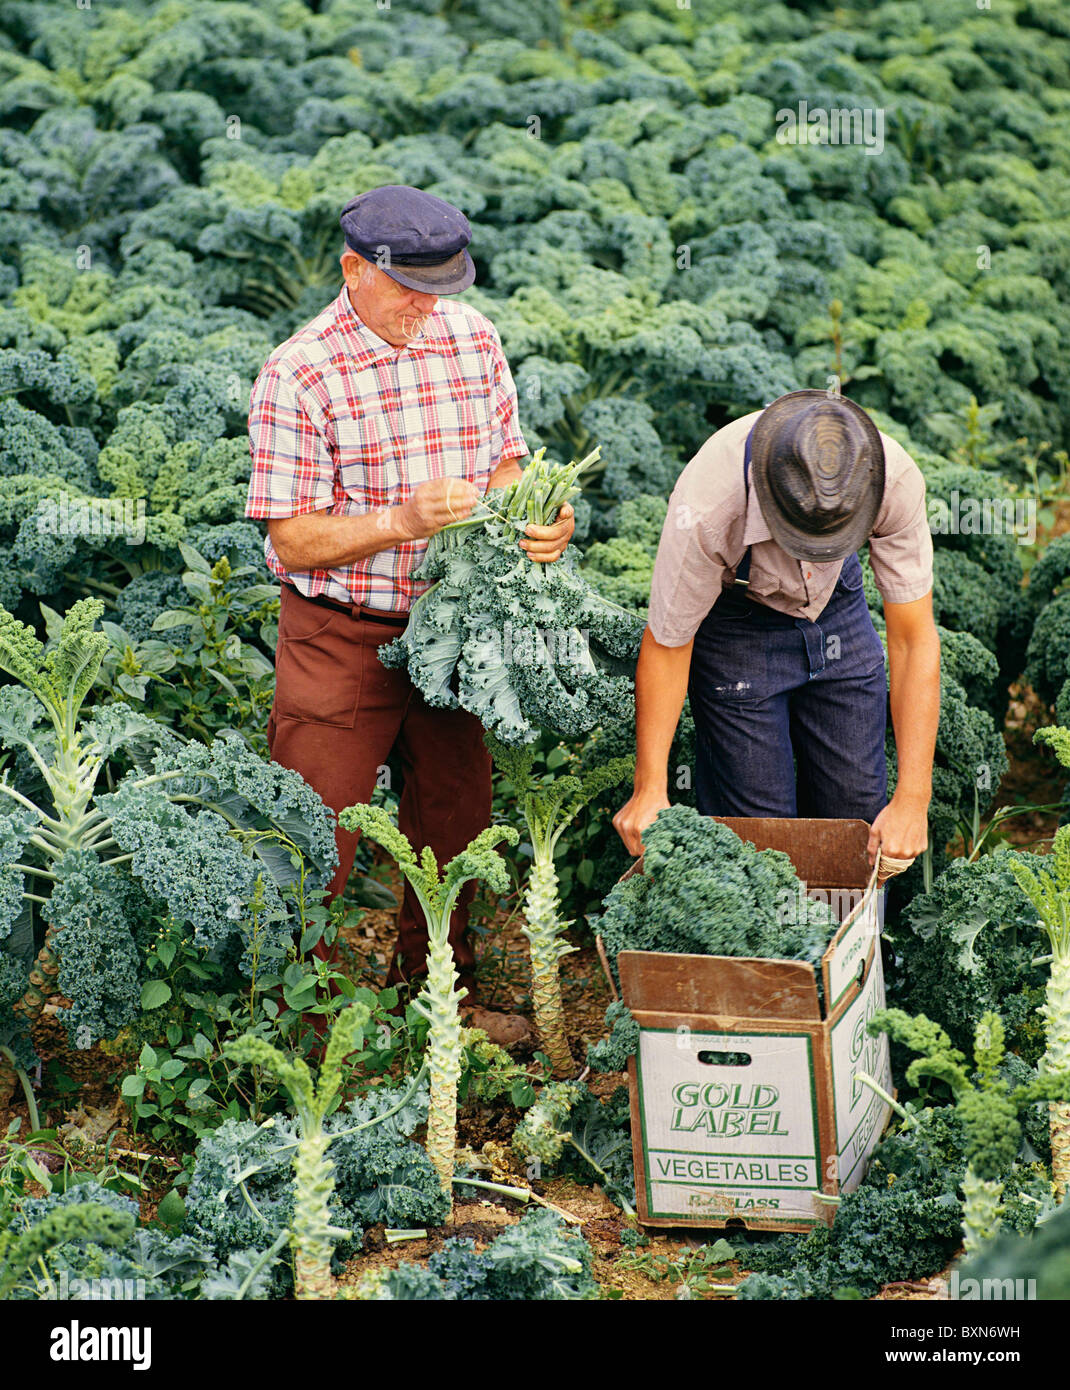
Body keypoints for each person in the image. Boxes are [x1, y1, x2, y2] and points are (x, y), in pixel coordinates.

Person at [246, 184, 575, 1044]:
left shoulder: (473, 340)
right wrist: (401, 521)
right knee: (313, 833)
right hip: (339, 634)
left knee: (456, 824)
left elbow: (506, 463)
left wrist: (539, 514)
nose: (429, 311)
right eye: (410, 291)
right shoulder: (299, 372)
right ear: (355, 270)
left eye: (444, 289)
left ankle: (438, 1001)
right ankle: (292, 1029)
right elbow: (293, 537)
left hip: (452, 628)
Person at [613, 389, 940, 875]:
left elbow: (913, 641)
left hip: (838, 610)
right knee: (756, 836)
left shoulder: (890, 477)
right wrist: (650, 787)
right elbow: (668, 643)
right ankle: (770, 950)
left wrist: (914, 799)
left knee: (857, 819)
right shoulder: (708, 503)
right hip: (737, 628)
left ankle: (851, 950)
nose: (816, 551)